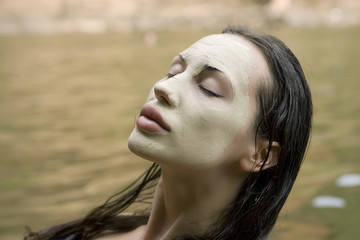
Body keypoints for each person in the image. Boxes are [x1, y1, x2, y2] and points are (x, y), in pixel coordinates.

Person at [24, 26, 312, 240]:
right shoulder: (107, 227)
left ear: (260, 154)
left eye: (209, 89)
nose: (164, 88)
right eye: (174, 72)